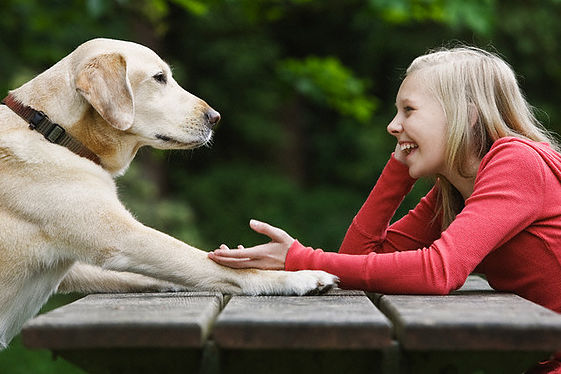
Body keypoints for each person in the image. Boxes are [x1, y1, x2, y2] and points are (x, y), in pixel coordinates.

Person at [208, 46, 561, 372]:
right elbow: (357, 258)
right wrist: (397, 171)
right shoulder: (452, 192)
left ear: (466, 115)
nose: (393, 125)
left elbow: (438, 271)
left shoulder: (517, 161)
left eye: (409, 110)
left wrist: (298, 259)